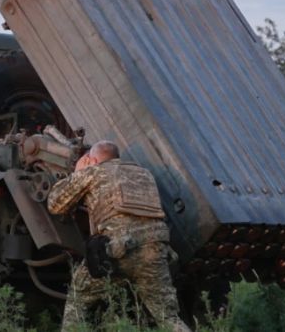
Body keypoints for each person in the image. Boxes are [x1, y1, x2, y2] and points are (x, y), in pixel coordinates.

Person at [48, 140, 191, 332]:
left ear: (91, 159)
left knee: (78, 297)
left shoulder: (93, 172)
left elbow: (55, 204)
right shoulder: (144, 174)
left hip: (116, 250)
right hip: (155, 251)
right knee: (167, 317)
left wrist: (78, 173)